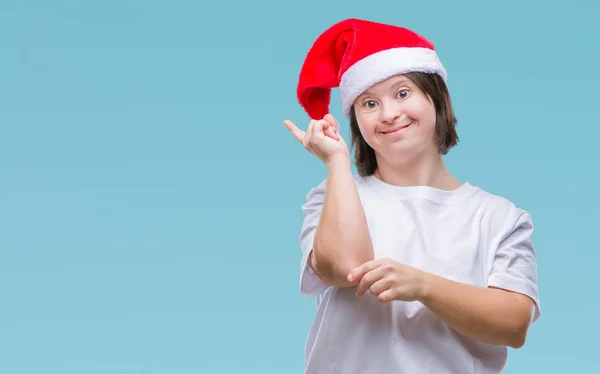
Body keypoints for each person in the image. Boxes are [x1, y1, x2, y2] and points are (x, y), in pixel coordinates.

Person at [283, 18, 541, 374]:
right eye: (369, 104)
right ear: (355, 121)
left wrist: (423, 286)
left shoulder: (499, 217)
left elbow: (514, 325)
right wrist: (337, 162)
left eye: (403, 93)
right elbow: (343, 268)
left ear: (436, 97)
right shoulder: (335, 193)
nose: (388, 114)